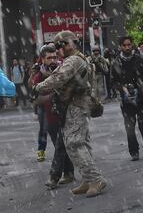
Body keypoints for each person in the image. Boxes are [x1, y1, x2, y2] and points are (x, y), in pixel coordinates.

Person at [33, 31, 107, 198]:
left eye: (60, 45)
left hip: (76, 106)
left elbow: (57, 79)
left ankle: (96, 179)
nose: (58, 50)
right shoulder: (79, 59)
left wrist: (37, 87)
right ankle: (88, 179)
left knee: (74, 144)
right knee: (81, 143)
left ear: (69, 44)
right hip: (77, 106)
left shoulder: (74, 60)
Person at [29, 44, 75, 189]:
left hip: (68, 112)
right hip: (52, 115)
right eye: (49, 58)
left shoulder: (64, 69)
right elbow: (36, 99)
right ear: (42, 59)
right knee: (59, 145)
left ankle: (61, 175)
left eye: (55, 56)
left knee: (65, 145)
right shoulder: (39, 75)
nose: (53, 60)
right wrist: (52, 93)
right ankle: (67, 173)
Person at [111, 37, 143, 161]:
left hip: (140, 97)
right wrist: (122, 89)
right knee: (130, 127)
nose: (127, 47)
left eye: (129, 45)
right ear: (120, 46)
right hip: (126, 100)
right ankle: (134, 152)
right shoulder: (116, 62)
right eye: (124, 45)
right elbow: (113, 81)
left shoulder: (139, 59)